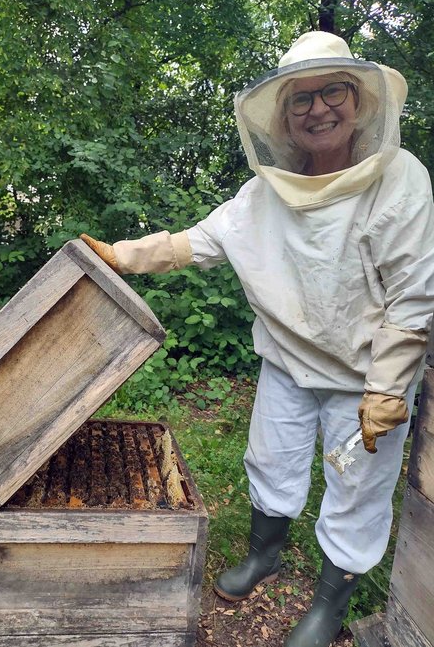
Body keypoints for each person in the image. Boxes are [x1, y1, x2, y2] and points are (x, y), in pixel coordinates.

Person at [80, 32, 434, 647]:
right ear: (284, 119)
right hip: (287, 366)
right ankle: (264, 556)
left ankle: (329, 603)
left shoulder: (399, 179)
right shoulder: (266, 191)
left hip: (366, 376)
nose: (318, 109)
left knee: (358, 490)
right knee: (271, 460)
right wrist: (123, 255)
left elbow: (414, 289)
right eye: (301, 100)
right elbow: (200, 241)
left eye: (332, 92)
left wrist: (388, 386)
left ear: (360, 101)